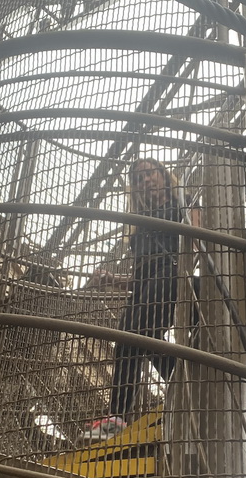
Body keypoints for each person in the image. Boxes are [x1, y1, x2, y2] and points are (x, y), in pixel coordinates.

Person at [81, 158, 189, 442]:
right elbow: (140, 274)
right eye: (139, 179)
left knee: (145, 332)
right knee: (126, 343)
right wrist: (112, 280)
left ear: (164, 176)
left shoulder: (180, 203)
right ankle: (115, 421)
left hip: (170, 273)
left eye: (149, 174)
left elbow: (198, 238)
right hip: (143, 286)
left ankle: (186, 389)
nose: (145, 181)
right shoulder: (139, 223)